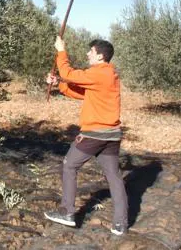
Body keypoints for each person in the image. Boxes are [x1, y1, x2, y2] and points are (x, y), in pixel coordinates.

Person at [44, 36, 128, 236]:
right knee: (114, 177)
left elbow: (69, 73)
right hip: (112, 136)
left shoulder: (99, 73)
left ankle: (67, 212)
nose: (87, 54)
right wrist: (59, 83)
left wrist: (61, 51)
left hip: (94, 134)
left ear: (100, 56)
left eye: (90, 52)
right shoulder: (108, 74)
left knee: (69, 165)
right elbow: (82, 92)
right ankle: (121, 224)